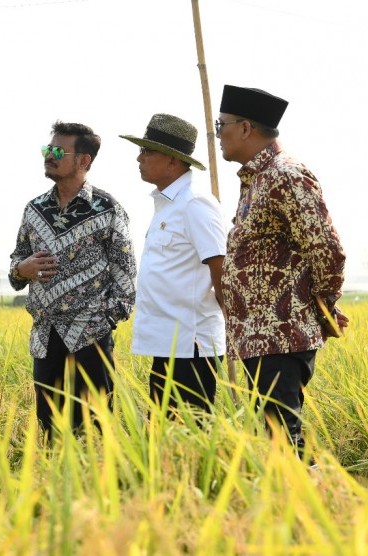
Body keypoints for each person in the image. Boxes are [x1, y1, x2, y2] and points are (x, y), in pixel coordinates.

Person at [217, 85, 347, 456]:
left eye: (220, 126)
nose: (218, 135)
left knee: (283, 443)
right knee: (275, 441)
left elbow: (327, 250)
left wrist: (323, 307)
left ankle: (313, 506)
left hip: (282, 335)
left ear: (245, 128)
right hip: (259, 338)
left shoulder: (285, 175)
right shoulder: (255, 180)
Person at [8, 121, 137, 436]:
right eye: (47, 149)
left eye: (57, 151)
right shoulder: (34, 210)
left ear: (84, 161)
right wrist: (20, 270)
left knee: (94, 431)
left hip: (90, 336)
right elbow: (16, 262)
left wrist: (101, 321)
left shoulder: (108, 210)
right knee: (49, 428)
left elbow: (126, 276)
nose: (48, 156)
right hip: (45, 336)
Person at [119, 113, 227, 419]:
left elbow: (220, 271)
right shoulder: (168, 205)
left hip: (192, 346)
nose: (139, 158)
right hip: (169, 344)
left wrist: (233, 329)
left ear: (172, 161)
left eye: (147, 151)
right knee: (165, 436)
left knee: (187, 434)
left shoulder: (194, 204)